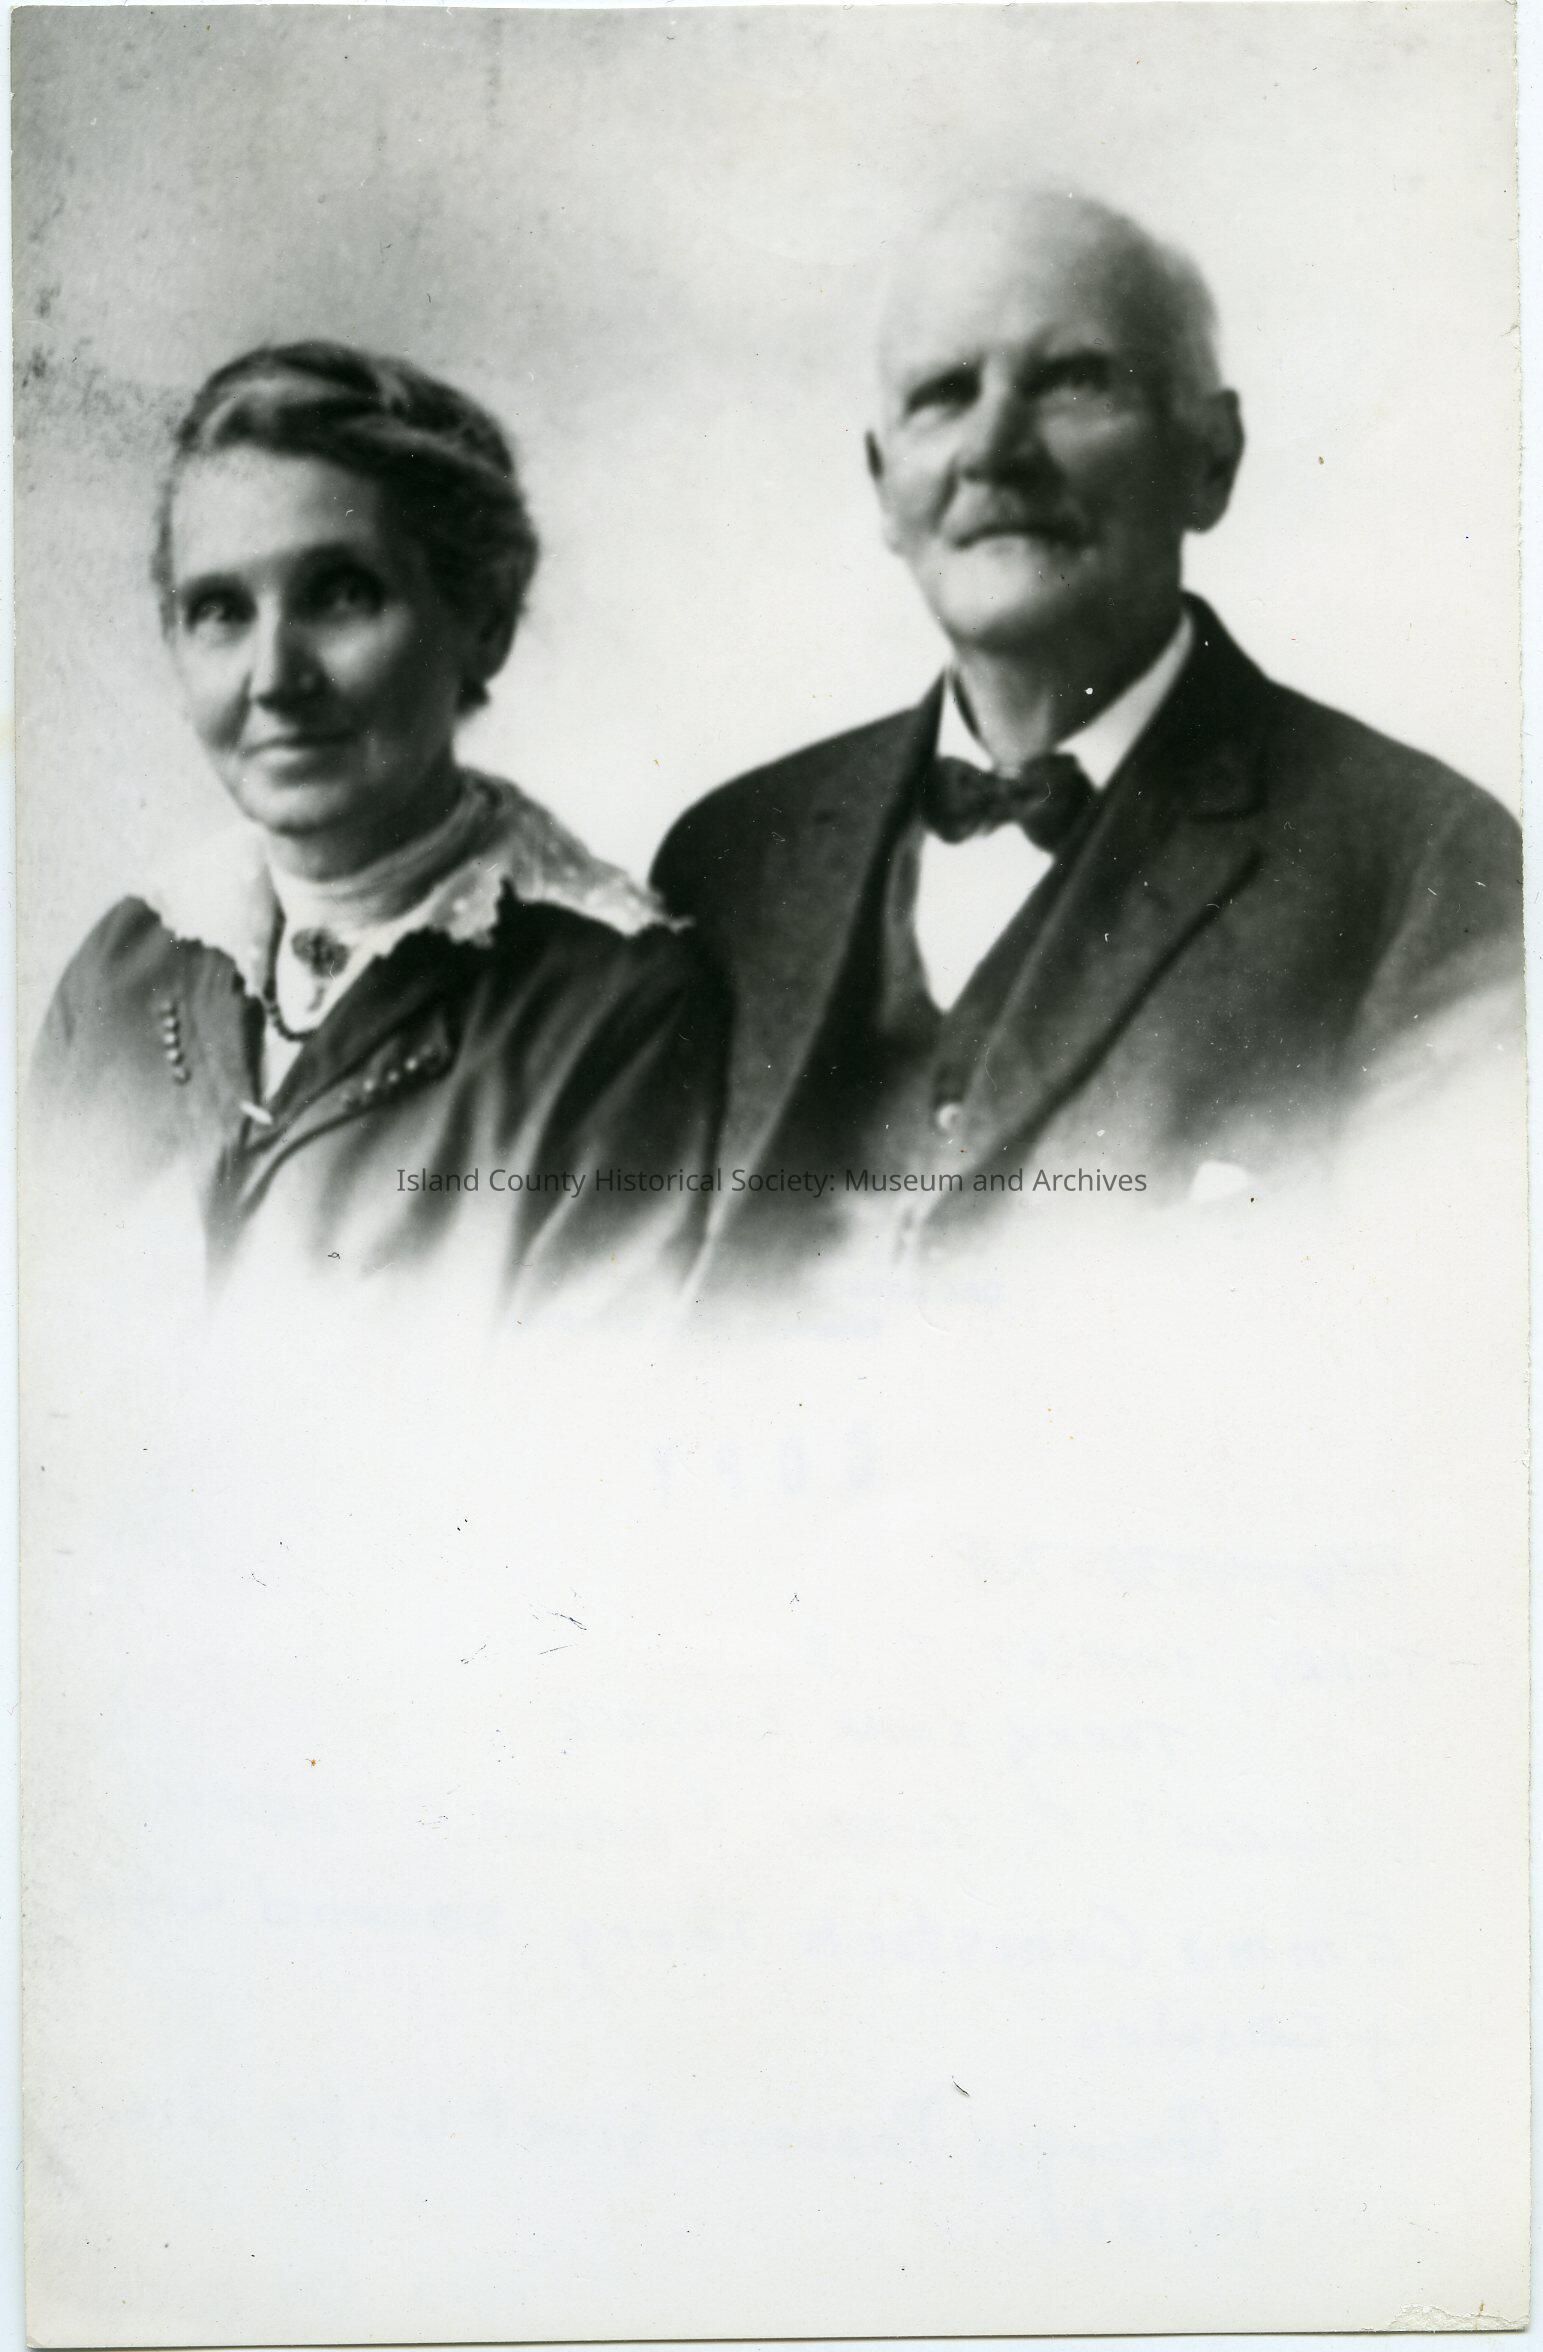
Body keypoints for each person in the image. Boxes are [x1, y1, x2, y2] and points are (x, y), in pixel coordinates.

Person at [652, 188, 1523, 1284]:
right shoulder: (728, 857)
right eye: (942, 394)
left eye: (1072, 380)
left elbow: (1433, 1332)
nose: (993, 450)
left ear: (1210, 457)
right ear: (882, 484)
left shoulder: (1422, 865)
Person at [32, 341, 722, 1316]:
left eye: (340, 594)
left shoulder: (610, 1008)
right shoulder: (128, 961)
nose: (274, 677)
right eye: (220, 610)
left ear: (484, 622)